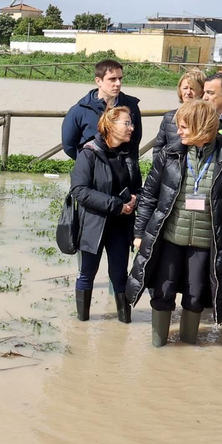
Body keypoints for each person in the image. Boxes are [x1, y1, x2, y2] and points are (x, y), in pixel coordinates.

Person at [126, 100, 222, 347]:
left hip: (205, 244)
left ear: (201, 126)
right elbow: (149, 196)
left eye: (183, 127)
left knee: (195, 297)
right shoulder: (169, 154)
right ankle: (158, 348)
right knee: (162, 293)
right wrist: (139, 233)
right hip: (169, 239)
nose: (178, 131)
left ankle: (188, 346)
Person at [69, 106, 142, 321]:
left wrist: (136, 199)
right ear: (110, 126)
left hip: (121, 226)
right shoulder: (88, 153)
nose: (132, 128)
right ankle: (82, 325)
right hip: (93, 225)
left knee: (119, 276)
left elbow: (138, 188)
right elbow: (79, 191)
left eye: (131, 123)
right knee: (87, 274)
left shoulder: (129, 154)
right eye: (126, 123)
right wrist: (116, 205)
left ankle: (124, 323)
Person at [63, 59, 143, 160]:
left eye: (120, 78)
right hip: (92, 167)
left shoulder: (131, 106)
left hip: (123, 166)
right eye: (112, 79)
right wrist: (88, 162)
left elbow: (136, 139)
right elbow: (69, 146)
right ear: (98, 81)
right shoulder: (80, 110)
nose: (118, 83)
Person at [147, 70, 206, 157]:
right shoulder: (169, 117)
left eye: (192, 88)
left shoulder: (207, 117)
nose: (188, 92)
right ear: (180, 90)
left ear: (202, 91)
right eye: (185, 88)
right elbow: (158, 148)